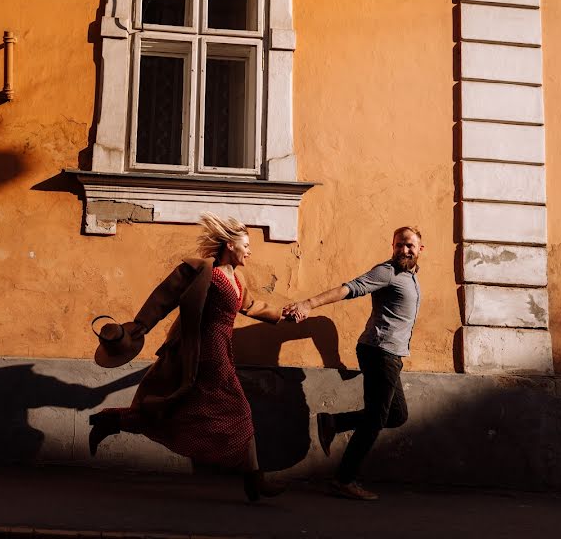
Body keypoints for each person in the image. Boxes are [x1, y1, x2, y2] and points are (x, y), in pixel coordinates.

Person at [89, 213, 286, 502]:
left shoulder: (237, 278)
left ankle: (113, 421)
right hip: (205, 353)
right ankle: (254, 480)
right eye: (246, 244)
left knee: (179, 410)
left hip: (223, 349)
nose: (250, 251)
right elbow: (164, 298)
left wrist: (285, 314)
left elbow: (252, 306)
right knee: (241, 411)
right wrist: (138, 328)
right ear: (230, 245)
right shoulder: (205, 272)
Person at [284, 226, 424, 501]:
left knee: (396, 415)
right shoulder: (387, 272)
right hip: (379, 351)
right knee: (375, 419)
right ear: (392, 247)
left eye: (409, 245)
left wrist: (333, 358)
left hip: (390, 354)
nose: (404, 250)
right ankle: (343, 479)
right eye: (399, 245)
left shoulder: (409, 275)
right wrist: (309, 304)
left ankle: (333, 422)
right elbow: (350, 288)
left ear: (420, 249)